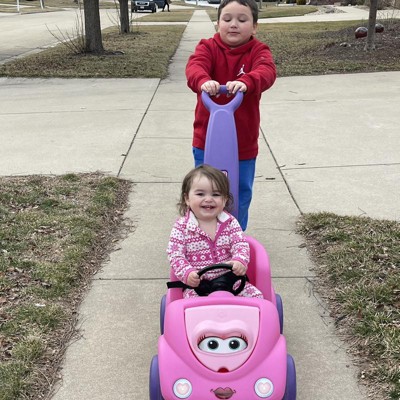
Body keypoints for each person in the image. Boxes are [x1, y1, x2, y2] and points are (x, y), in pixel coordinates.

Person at [185, 0, 277, 231]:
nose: (233, 24)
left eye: (242, 20)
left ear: (254, 26)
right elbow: (195, 67)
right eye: (227, 19)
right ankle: (202, 236)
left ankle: (236, 238)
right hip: (207, 140)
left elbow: (266, 71)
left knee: (239, 193)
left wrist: (246, 82)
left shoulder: (259, 51)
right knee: (206, 192)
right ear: (218, 24)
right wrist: (204, 81)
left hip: (243, 143)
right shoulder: (207, 47)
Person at [167, 165, 263, 299]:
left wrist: (239, 261)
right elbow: (175, 255)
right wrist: (187, 273)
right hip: (199, 285)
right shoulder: (182, 227)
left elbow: (240, 244)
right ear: (187, 199)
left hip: (231, 280)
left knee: (257, 298)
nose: (208, 199)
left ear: (224, 200)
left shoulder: (230, 222)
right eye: (200, 194)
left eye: (216, 194)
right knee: (190, 309)